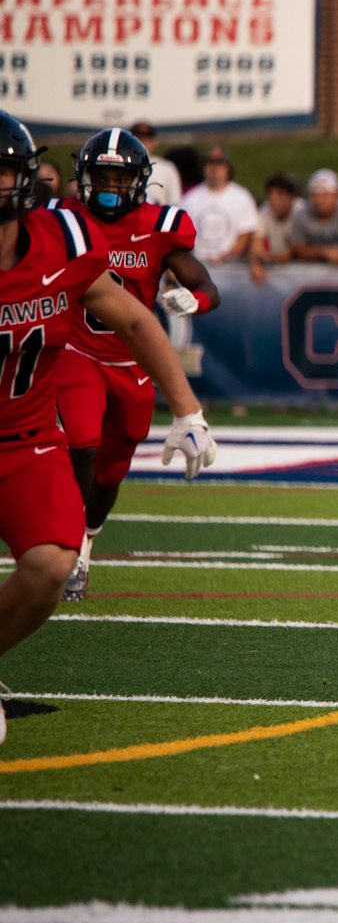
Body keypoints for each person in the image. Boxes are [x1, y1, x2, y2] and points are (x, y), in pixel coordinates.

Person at [0, 112, 215, 734]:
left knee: (52, 561)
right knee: (85, 436)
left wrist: (189, 408)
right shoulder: (72, 220)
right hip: (75, 365)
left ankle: (89, 533)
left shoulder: (62, 238)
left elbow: (138, 318)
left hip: (26, 436)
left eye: (3, 171)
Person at [49, 128, 221, 600]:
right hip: (78, 351)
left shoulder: (160, 226)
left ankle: (87, 540)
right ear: (83, 177)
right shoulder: (61, 219)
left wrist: (197, 300)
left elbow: (206, 283)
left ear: (139, 182)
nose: (109, 187)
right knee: (81, 441)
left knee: (110, 472)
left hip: (136, 361)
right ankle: (68, 546)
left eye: (119, 179)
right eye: (101, 176)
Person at [179, 146, 258, 266]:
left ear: (227, 168)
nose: (214, 169)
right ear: (204, 167)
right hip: (197, 264)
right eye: (210, 164)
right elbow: (180, 235)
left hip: (231, 267)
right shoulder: (189, 199)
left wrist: (228, 255)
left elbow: (245, 234)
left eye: (219, 164)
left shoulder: (242, 197)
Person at [287, 169, 338, 264]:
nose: (319, 200)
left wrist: (312, 252)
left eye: (325, 195)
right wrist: (325, 252)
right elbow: (297, 250)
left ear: (337, 195)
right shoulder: (301, 214)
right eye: (315, 195)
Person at [247, 172, 300, 284]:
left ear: (291, 197)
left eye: (280, 196)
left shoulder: (301, 212)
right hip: (279, 265)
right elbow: (256, 245)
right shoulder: (264, 212)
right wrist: (255, 264)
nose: (274, 202)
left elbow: (298, 251)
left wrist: (268, 257)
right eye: (271, 197)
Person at [129, 122, 182, 206]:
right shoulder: (124, 165)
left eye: (147, 139)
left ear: (155, 142)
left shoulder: (167, 167)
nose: (143, 143)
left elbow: (174, 202)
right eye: (139, 139)